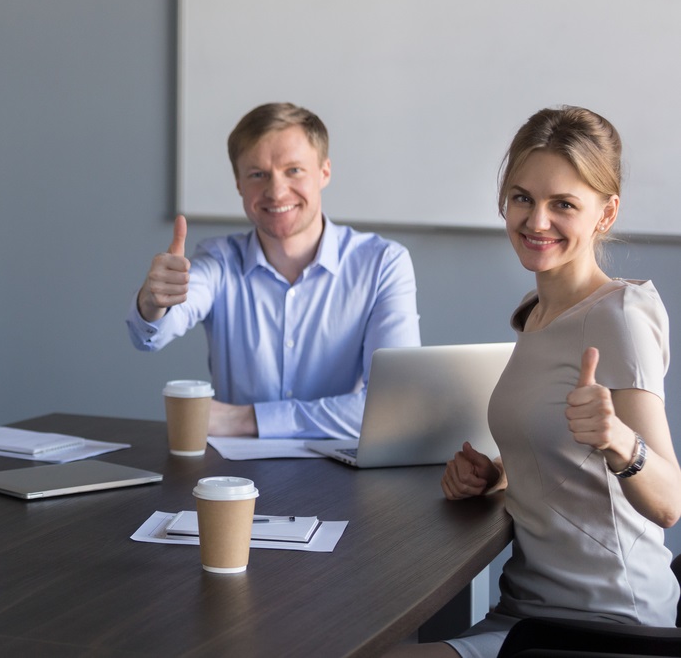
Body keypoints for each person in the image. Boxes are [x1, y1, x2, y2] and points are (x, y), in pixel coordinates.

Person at [396, 106, 681, 658]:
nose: (536, 221)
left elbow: (669, 504)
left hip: (605, 625)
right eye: (522, 197)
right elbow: (567, 463)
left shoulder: (619, 314)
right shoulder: (539, 312)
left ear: (605, 213)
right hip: (528, 612)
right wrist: (496, 474)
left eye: (563, 205)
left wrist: (619, 440)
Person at [127, 102, 420, 439]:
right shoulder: (219, 261)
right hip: (234, 481)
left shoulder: (383, 264)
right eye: (257, 174)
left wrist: (243, 420)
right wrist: (153, 302)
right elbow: (151, 334)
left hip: (343, 477)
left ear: (324, 172)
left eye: (293, 170)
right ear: (238, 183)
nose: (276, 191)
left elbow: (396, 406)